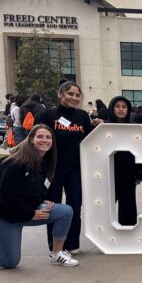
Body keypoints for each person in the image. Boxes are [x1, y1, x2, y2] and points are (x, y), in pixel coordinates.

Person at [0, 125, 79, 268]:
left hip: (26, 212)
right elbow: (6, 197)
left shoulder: (44, 164)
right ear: (31, 140)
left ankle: (56, 254)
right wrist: (31, 213)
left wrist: (42, 200)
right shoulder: (15, 163)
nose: (44, 140)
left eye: (48, 137)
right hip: (5, 217)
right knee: (9, 262)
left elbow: (31, 189)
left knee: (65, 211)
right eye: (40, 136)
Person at [36, 81, 98, 254]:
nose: (74, 98)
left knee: (75, 206)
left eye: (77, 95)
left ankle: (72, 244)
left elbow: (89, 141)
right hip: (52, 170)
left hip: (75, 170)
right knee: (52, 207)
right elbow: (36, 139)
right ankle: (55, 246)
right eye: (70, 94)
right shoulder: (48, 115)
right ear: (60, 94)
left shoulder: (83, 116)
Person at [105, 96, 142, 226]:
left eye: (124, 107)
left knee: (128, 205)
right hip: (108, 172)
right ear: (112, 108)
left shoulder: (135, 128)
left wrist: (141, 172)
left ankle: (128, 234)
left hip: (129, 172)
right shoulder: (104, 127)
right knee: (106, 205)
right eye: (117, 107)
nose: (121, 110)